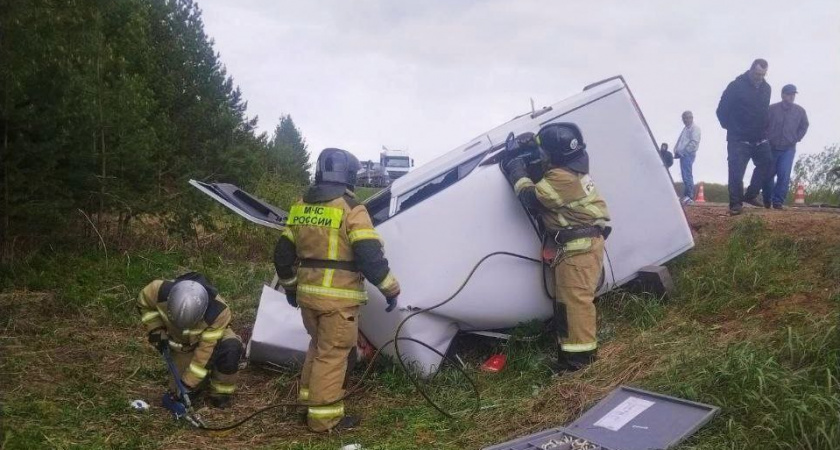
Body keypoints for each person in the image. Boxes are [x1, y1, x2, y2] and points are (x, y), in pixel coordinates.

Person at [273, 148, 401, 432]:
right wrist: (391, 289)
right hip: (338, 301)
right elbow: (369, 256)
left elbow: (282, 255)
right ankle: (324, 419)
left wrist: (292, 289)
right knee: (333, 355)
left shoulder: (301, 207)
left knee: (318, 349)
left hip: (308, 298)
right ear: (350, 176)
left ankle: (306, 405)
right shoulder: (351, 208)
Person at [502, 123, 611, 374]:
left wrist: (516, 168)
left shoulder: (562, 178)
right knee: (568, 305)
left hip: (579, 249)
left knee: (575, 304)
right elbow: (546, 178)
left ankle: (579, 365)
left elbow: (531, 198)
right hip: (577, 246)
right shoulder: (570, 168)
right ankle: (569, 356)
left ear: (553, 155)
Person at [137, 272, 242, 409]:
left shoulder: (218, 313)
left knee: (230, 347)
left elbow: (205, 353)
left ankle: (220, 394)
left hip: (211, 339)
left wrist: (188, 384)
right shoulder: (157, 290)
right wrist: (157, 331)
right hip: (182, 344)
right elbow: (144, 305)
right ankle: (197, 383)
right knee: (178, 393)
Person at [716, 59, 772, 215]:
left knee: (767, 162)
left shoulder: (767, 88)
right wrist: (732, 128)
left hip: (759, 136)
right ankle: (735, 204)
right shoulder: (736, 86)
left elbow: (764, 111)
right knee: (736, 171)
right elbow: (721, 110)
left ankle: (751, 194)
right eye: (757, 74)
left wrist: (764, 128)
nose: (759, 77)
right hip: (738, 137)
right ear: (751, 70)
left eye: (763, 74)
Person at [762, 84, 809, 209]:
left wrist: (796, 138)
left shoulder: (800, 111)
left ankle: (778, 202)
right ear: (783, 95)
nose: (791, 96)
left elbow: (804, 125)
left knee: (784, 174)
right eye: (789, 94)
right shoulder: (771, 109)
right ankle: (767, 200)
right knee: (767, 175)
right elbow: (762, 125)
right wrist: (766, 138)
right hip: (771, 147)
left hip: (788, 148)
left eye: (793, 94)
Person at [674, 111, 701, 205]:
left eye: (687, 117)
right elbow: (681, 141)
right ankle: (686, 196)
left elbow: (694, 142)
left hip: (687, 155)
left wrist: (684, 152)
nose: (685, 120)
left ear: (691, 118)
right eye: (684, 118)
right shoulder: (686, 129)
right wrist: (676, 150)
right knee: (685, 175)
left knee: (687, 175)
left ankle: (689, 196)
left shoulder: (695, 129)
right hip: (682, 154)